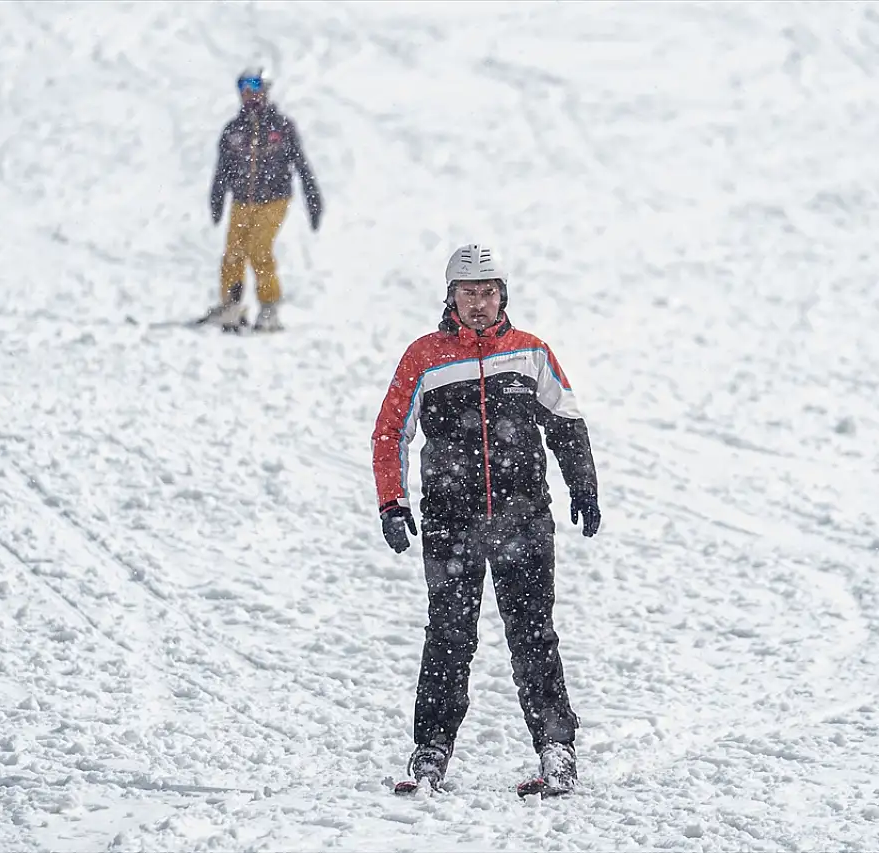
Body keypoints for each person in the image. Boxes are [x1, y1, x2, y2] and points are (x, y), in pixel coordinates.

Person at [371, 243, 602, 796]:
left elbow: (567, 424)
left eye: (487, 293)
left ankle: (556, 750)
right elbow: (389, 433)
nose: (478, 304)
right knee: (448, 638)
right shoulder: (423, 356)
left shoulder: (531, 353)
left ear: (504, 296)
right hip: (452, 524)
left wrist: (584, 487)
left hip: (524, 521)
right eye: (468, 293)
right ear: (450, 297)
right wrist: (391, 502)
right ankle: (430, 752)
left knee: (532, 635)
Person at [199, 67, 322, 333]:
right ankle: (231, 305)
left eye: (255, 88)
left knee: (258, 248)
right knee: (233, 251)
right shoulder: (234, 131)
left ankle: (269, 307)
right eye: (244, 88)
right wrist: (217, 198)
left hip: (274, 198)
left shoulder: (280, 127)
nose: (249, 94)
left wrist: (313, 198)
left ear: (265, 90)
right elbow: (223, 169)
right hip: (243, 199)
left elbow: (300, 164)